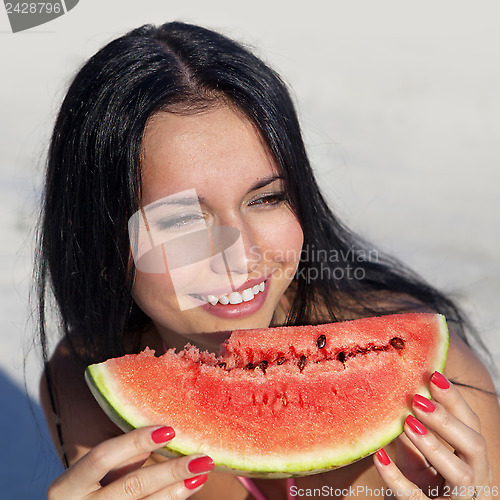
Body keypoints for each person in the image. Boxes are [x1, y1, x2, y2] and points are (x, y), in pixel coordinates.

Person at [37, 21, 500, 499]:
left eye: (266, 199)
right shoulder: (84, 384)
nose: (240, 253)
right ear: (102, 242)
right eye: (181, 221)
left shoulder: (437, 395)